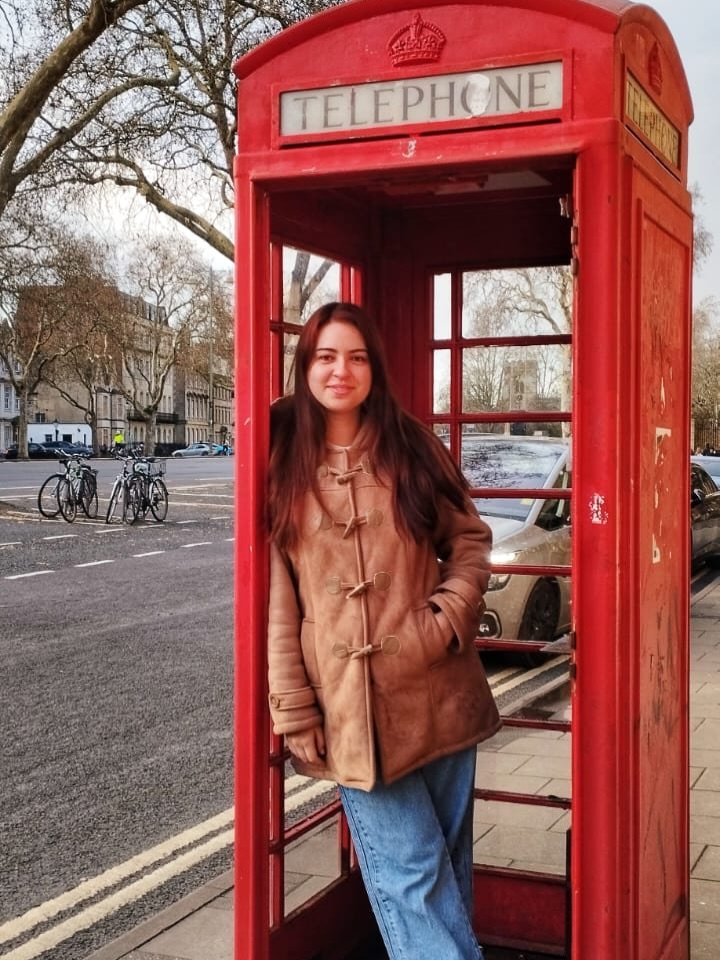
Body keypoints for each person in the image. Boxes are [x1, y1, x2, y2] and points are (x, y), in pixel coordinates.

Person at [266, 302, 501, 960]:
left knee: (446, 867)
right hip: (350, 708)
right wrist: (293, 708)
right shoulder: (280, 457)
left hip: (439, 689)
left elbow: (470, 542)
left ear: (375, 369)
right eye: (326, 356)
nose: (340, 370)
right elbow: (277, 600)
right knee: (413, 878)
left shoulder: (411, 446)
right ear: (305, 366)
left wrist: (444, 620)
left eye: (357, 357)